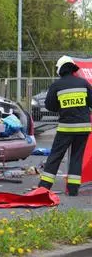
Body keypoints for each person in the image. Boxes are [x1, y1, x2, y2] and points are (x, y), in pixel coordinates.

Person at [38, 55, 92, 196]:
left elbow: (49, 106)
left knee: (56, 155)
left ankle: (44, 187)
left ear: (60, 69)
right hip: (84, 127)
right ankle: (73, 190)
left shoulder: (57, 85)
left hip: (66, 128)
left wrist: (63, 108)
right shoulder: (84, 83)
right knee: (76, 157)